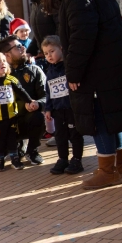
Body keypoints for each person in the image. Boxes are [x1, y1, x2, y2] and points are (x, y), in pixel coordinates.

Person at [43, 0, 122, 189]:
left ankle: (107, 170)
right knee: (111, 116)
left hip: (99, 65)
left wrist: (74, 72)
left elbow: (82, 37)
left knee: (98, 117)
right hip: (113, 60)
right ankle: (119, 166)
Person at [23, 0, 58, 142]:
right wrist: (29, 51)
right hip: (47, 57)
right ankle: (57, 131)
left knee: (61, 97)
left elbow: (60, 29)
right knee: (52, 95)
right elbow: (38, 34)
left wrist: (56, 51)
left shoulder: (53, 1)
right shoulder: (36, 3)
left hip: (58, 56)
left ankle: (66, 132)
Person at [0, 35, 47, 165]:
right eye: (18, 47)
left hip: (27, 119)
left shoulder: (35, 71)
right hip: (6, 122)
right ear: (7, 55)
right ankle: (12, 147)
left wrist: (38, 104)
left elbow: (46, 96)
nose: (23, 48)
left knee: (38, 117)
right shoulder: (0, 75)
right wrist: (22, 105)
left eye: (22, 45)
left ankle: (32, 151)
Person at [41, 36, 84, 175]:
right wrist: (48, 108)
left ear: (61, 48)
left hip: (71, 107)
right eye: (46, 53)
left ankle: (77, 159)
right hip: (58, 109)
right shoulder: (50, 71)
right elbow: (49, 91)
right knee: (60, 135)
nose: (49, 56)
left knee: (75, 134)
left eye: (52, 51)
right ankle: (63, 158)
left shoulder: (68, 67)